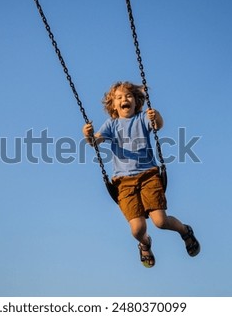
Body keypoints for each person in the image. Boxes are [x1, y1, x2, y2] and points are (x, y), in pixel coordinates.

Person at [82, 81, 200, 268]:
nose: (124, 99)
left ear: (137, 101)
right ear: (113, 105)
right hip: (124, 183)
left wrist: (157, 116)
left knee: (160, 222)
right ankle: (145, 243)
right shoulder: (111, 125)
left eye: (128, 96)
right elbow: (95, 141)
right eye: (119, 98)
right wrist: (87, 135)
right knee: (138, 229)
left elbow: (157, 125)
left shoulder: (142, 118)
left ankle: (185, 231)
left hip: (148, 176)